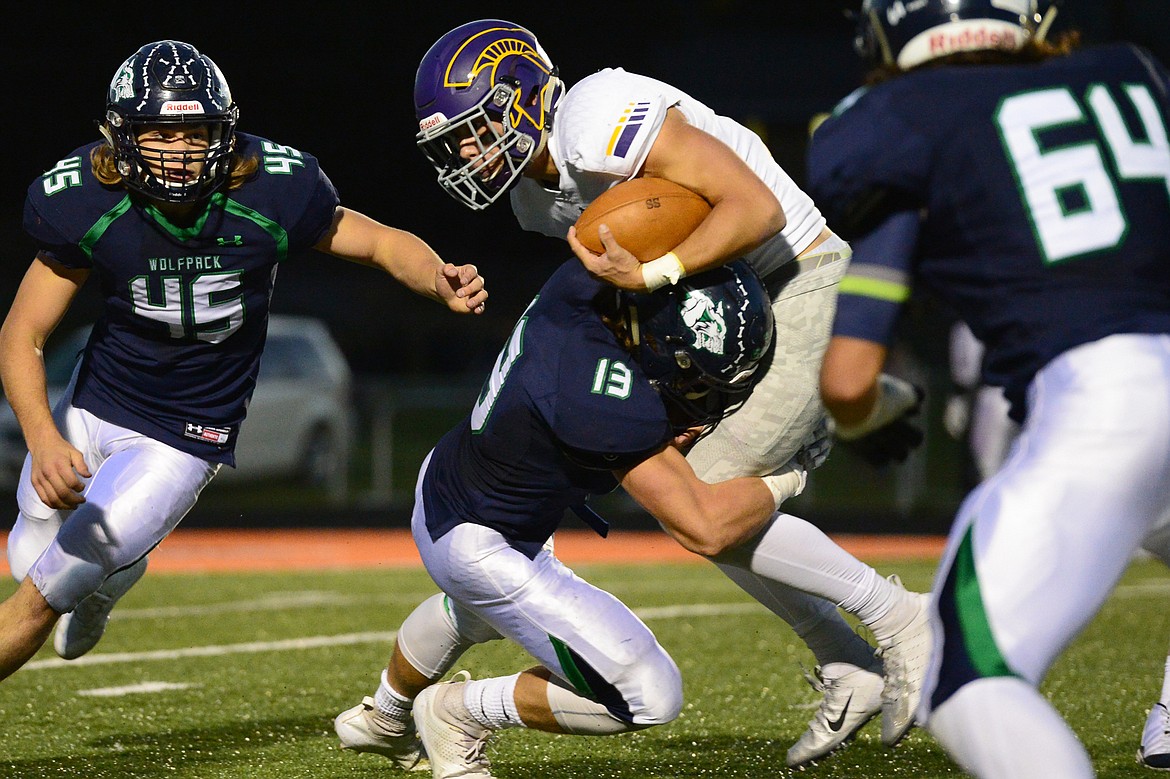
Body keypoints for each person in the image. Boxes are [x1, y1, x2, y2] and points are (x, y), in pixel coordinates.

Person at [385, 20, 937, 768]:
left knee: (705, 498)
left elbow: (756, 210)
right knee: (697, 501)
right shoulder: (531, 200)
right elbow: (626, 307)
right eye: (453, 146)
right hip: (715, 312)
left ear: (520, 99)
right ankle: (845, 659)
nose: (469, 156)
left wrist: (654, 272)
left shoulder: (595, 112)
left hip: (797, 276)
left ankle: (897, 616)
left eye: (476, 130)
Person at [0, 40, 488, 683]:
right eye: (160, 133)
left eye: (195, 131)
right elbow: (23, 332)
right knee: (27, 544)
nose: (179, 151)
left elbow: (373, 239)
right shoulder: (84, 198)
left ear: (224, 133)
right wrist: (43, 433)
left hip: (185, 432)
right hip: (95, 400)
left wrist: (435, 277)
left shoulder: (271, 188)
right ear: (121, 138)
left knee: (45, 590)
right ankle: (114, 575)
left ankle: (101, 577)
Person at [810, 2, 1170, 776]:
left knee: (967, 682)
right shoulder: (1131, 72)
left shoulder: (901, 120)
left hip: (1108, 398)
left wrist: (874, 415)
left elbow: (846, 382)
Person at [334, 256, 822, 778]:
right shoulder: (607, 402)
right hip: (479, 540)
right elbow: (705, 527)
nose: (704, 398)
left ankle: (383, 718)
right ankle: (456, 714)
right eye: (697, 379)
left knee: (474, 610)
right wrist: (789, 474)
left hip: (457, 486)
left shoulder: (580, 287)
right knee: (648, 693)